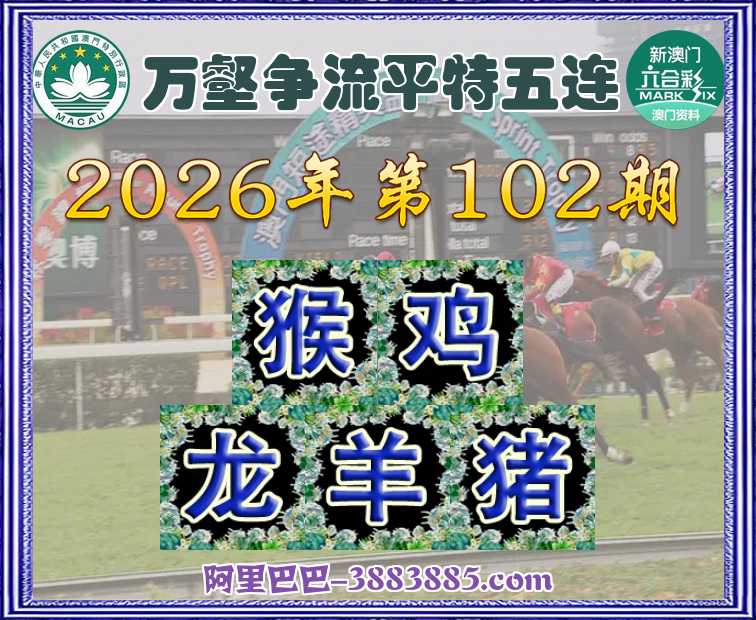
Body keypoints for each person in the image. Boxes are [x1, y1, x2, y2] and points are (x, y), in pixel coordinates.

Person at [524, 254, 574, 326]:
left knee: (550, 296)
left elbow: (538, 288)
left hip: (564, 276)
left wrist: (524, 298)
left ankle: (560, 318)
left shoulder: (543, 267)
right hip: (553, 277)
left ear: (527, 263)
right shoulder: (529, 265)